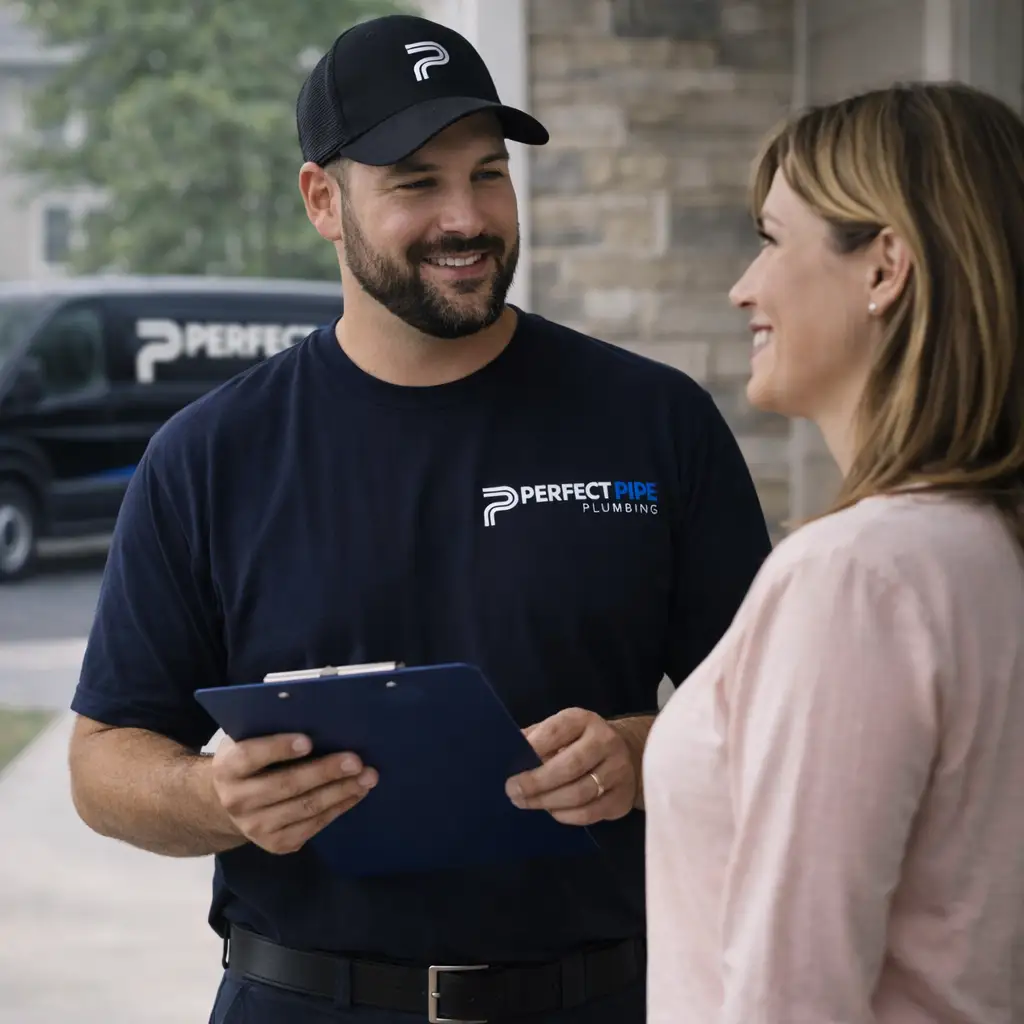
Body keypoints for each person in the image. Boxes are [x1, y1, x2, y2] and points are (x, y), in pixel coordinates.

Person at [67, 13, 772, 1024]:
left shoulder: (655, 422)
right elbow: (104, 760)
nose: (466, 217)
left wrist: (642, 752)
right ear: (323, 200)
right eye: (416, 184)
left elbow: (769, 722)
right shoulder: (210, 454)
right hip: (302, 998)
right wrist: (215, 797)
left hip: (597, 996)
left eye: (488, 174)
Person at [643, 80, 1024, 1024]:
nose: (744, 286)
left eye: (773, 241)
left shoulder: (857, 577)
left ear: (884, 267)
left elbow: (792, 998)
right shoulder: (984, 549)